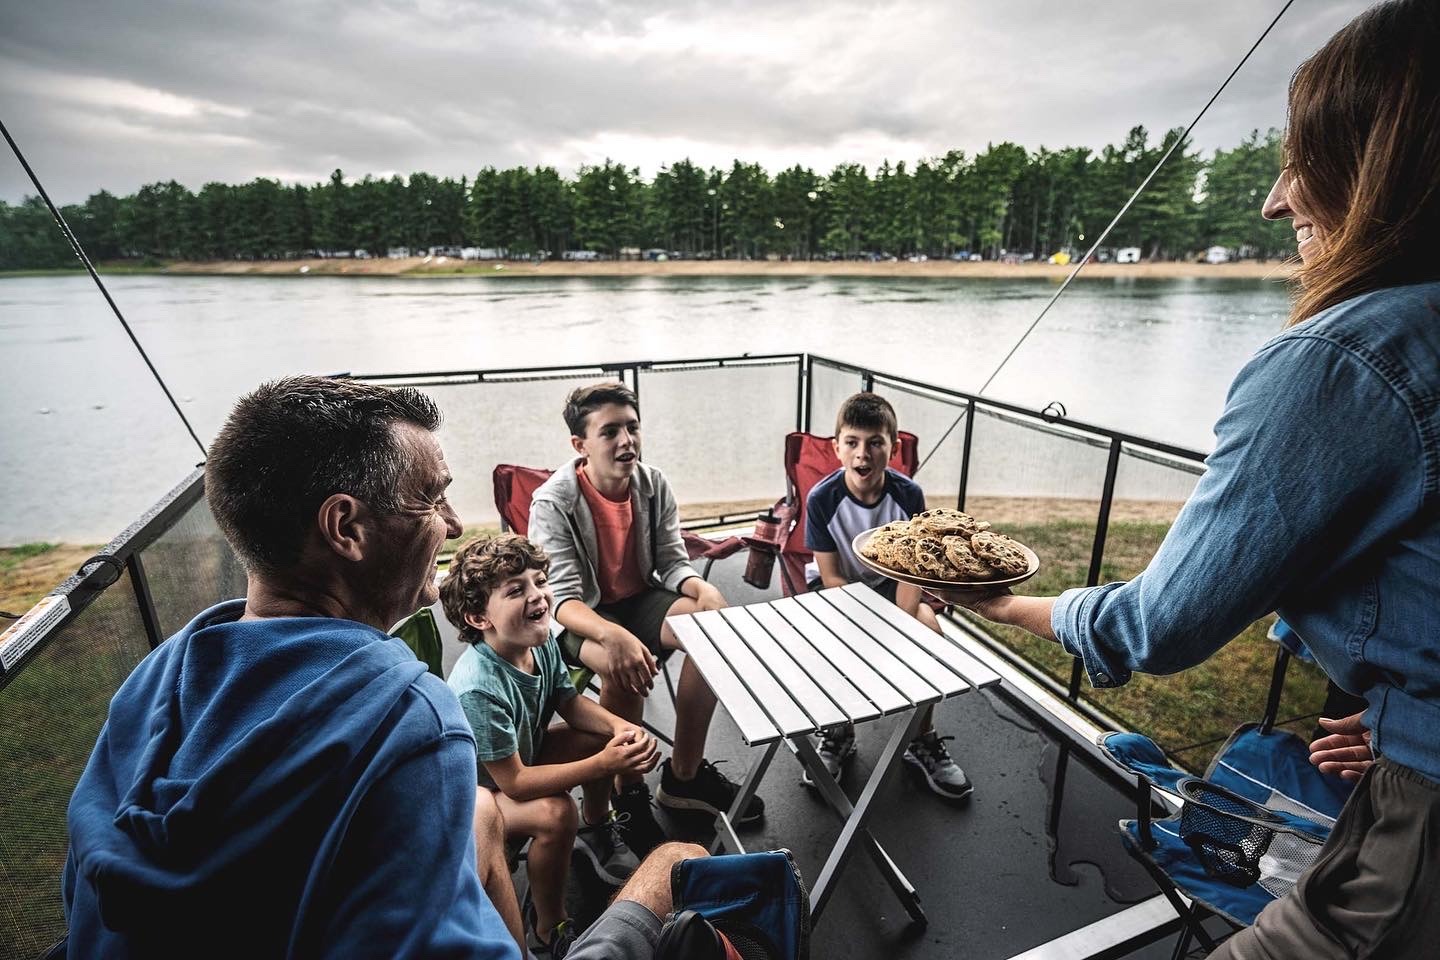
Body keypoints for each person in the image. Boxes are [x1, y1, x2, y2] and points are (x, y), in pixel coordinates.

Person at [946, 3, 1440, 955]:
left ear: (1377, 169)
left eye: (1304, 159)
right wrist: (1405, 709)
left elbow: (1157, 627)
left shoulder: (1342, 361)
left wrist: (993, 604)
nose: (1276, 199)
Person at [62, 376, 523, 958]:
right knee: (664, 873)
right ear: (346, 529)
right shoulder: (408, 720)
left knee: (482, 811)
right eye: (432, 499)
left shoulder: (157, 677)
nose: (453, 525)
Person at [529, 382, 764, 854]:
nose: (626, 441)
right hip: (580, 616)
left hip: (638, 599)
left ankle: (684, 774)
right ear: (580, 444)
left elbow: (673, 563)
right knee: (619, 663)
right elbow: (562, 602)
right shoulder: (552, 503)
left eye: (632, 428)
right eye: (610, 431)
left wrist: (702, 588)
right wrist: (613, 635)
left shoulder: (653, 484)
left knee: (711, 630)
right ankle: (628, 791)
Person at [440, 533, 655, 955]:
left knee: (596, 736)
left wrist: (618, 729)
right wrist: (601, 766)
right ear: (479, 617)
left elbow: (571, 704)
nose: (538, 596)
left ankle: (596, 828)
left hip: (520, 759)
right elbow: (516, 783)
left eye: (540, 581)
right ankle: (549, 927)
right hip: (481, 794)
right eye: (516, 590)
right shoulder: (477, 688)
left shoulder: (537, 642)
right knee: (556, 813)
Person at [803, 392, 973, 800]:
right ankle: (838, 730)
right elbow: (830, 576)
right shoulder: (821, 499)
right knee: (833, 639)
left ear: (893, 449)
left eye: (875, 443)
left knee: (929, 629)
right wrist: (869, 626)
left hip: (892, 584)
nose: (864, 454)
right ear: (836, 447)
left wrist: (899, 623)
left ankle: (920, 737)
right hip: (839, 586)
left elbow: (913, 568)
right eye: (853, 443)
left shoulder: (909, 495)